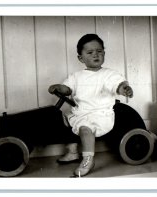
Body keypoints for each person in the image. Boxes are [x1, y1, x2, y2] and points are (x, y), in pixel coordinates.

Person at [48, 34, 133, 177]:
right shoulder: (76, 76)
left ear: (104, 53)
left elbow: (117, 84)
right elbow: (67, 89)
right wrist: (59, 88)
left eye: (99, 51)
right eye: (90, 52)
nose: (95, 55)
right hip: (81, 112)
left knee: (85, 129)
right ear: (81, 58)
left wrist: (124, 88)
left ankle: (88, 159)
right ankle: (72, 151)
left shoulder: (108, 74)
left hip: (100, 115)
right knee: (62, 120)